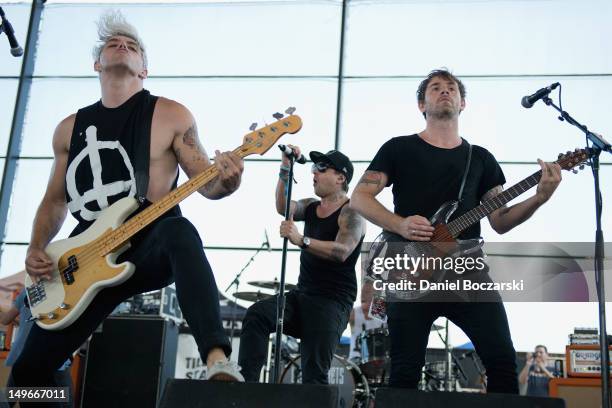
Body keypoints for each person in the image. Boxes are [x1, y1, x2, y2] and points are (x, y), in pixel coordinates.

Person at [13, 11, 245, 402]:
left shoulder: (171, 114)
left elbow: (207, 184)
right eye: (112, 43)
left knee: (180, 230)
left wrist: (229, 179)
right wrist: (37, 247)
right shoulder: (68, 128)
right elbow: (55, 199)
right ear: (97, 63)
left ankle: (217, 358)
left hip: (149, 240)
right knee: (29, 373)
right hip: (84, 257)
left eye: (133, 45)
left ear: (144, 70)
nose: (123, 45)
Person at [350, 69, 562, 394]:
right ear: (422, 103)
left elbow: (501, 220)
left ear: (463, 103)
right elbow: (360, 198)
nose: (444, 91)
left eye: (451, 88)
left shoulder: (481, 159)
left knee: (503, 362)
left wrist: (540, 197)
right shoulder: (398, 148)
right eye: (435, 88)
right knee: (405, 372)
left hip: (467, 273)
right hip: (411, 273)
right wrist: (400, 223)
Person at [238, 146, 366, 384]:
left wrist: (301, 240)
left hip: (332, 302)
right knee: (257, 315)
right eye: (314, 167)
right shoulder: (310, 206)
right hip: (302, 296)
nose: (314, 173)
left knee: (313, 373)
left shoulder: (352, 212)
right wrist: (286, 166)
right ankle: (247, 390)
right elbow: (283, 206)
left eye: (322, 168)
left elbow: (342, 251)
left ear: (341, 177)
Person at [1, 290, 72, 408]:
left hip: (23, 356)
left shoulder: (26, 292)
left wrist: (22, 322)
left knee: (9, 399)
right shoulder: (66, 290)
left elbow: (5, 320)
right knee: (65, 402)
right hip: (51, 358)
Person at [348, 281, 384, 362]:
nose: (363, 295)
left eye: (367, 292)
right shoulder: (353, 313)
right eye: (362, 292)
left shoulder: (384, 315)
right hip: (355, 362)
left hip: (379, 362)